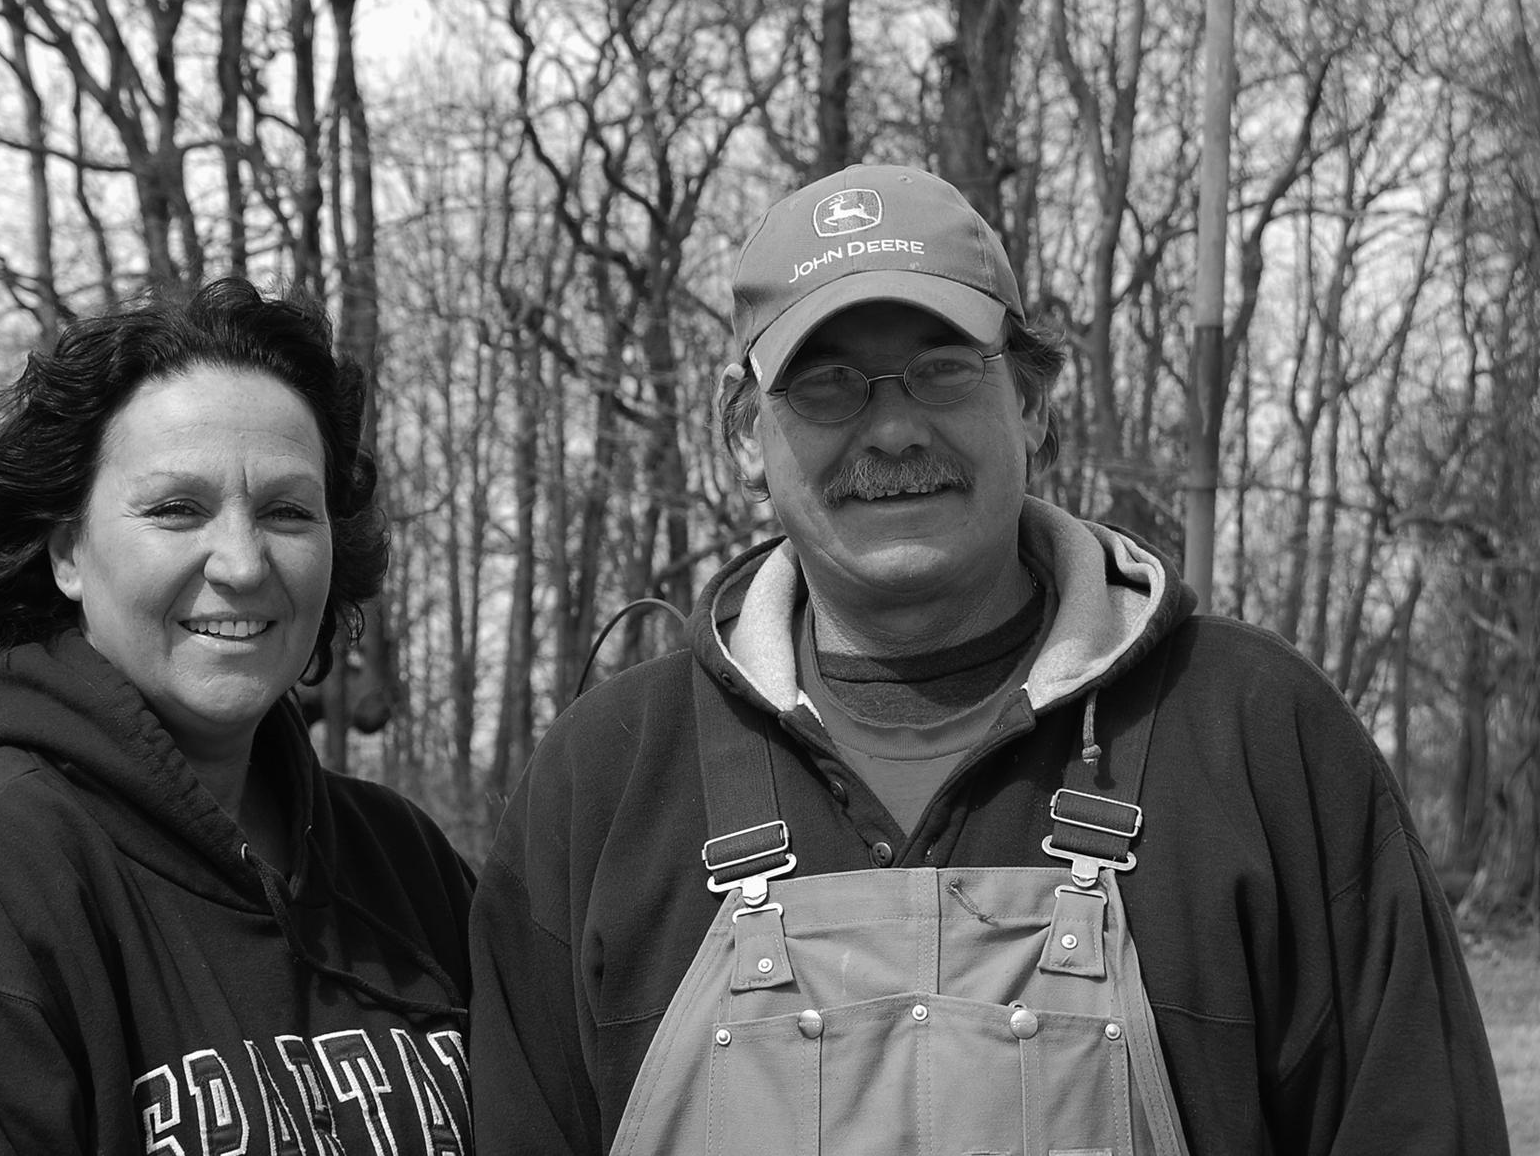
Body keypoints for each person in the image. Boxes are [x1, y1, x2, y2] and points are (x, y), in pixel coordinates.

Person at [467, 164, 1509, 1155]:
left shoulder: (1258, 738)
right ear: (744, 435)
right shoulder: (602, 784)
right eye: (827, 384)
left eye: (942, 370)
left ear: (1033, 404)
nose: (893, 430)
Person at [0, 278, 474, 1155]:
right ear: (69, 553)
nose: (242, 563)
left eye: (287, 510)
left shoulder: (405, 862)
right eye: (176, 509)